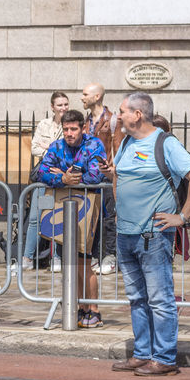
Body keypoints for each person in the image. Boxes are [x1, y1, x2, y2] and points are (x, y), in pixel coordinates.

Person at [101, 92, 190, 376]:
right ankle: (143, 353)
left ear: (137, 114)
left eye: (122, 111)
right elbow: (119, 177)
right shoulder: (125, 142)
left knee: (159, 299)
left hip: (153, 236)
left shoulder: (165, 143)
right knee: (137, 297)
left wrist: (181, 217)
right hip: (126, 233)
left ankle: (164, 357)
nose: (117, 116)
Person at [36, 109, 108, 328]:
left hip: (90, 211)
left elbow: (95, 175)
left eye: (73, 129)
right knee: (70, 262)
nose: (69, 133)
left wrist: (64, 176)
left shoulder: (94, 144)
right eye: (65, 129)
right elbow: (41, 171)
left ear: (82, 128)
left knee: (85, 263)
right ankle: (78, 306)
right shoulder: (56, 146)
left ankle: (93, 309)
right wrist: (62, 177)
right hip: (62, 211)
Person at [24, 91, 70, 272]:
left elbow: (68, 153)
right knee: (36, 218)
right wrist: (53, 150)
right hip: (44, 178)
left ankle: (57, 258)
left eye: (66, 104)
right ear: (52, 107)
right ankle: (26, 258)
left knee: (58, 218)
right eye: (60, 105)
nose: (63, 108)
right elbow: (34, 148)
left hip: (62, 178)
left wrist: (49, 148)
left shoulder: (71, 126)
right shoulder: (44, 125)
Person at [81, 83, 118, 276]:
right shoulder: (85, 122)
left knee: (109, 218)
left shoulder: (112, 120)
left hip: (106, 175)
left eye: (85, 94)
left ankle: (110, 255)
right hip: (90, 178)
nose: (82, 97)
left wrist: (114, 171)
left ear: (97, 97)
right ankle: (94, 254)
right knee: (91, 218)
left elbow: (117, 146)